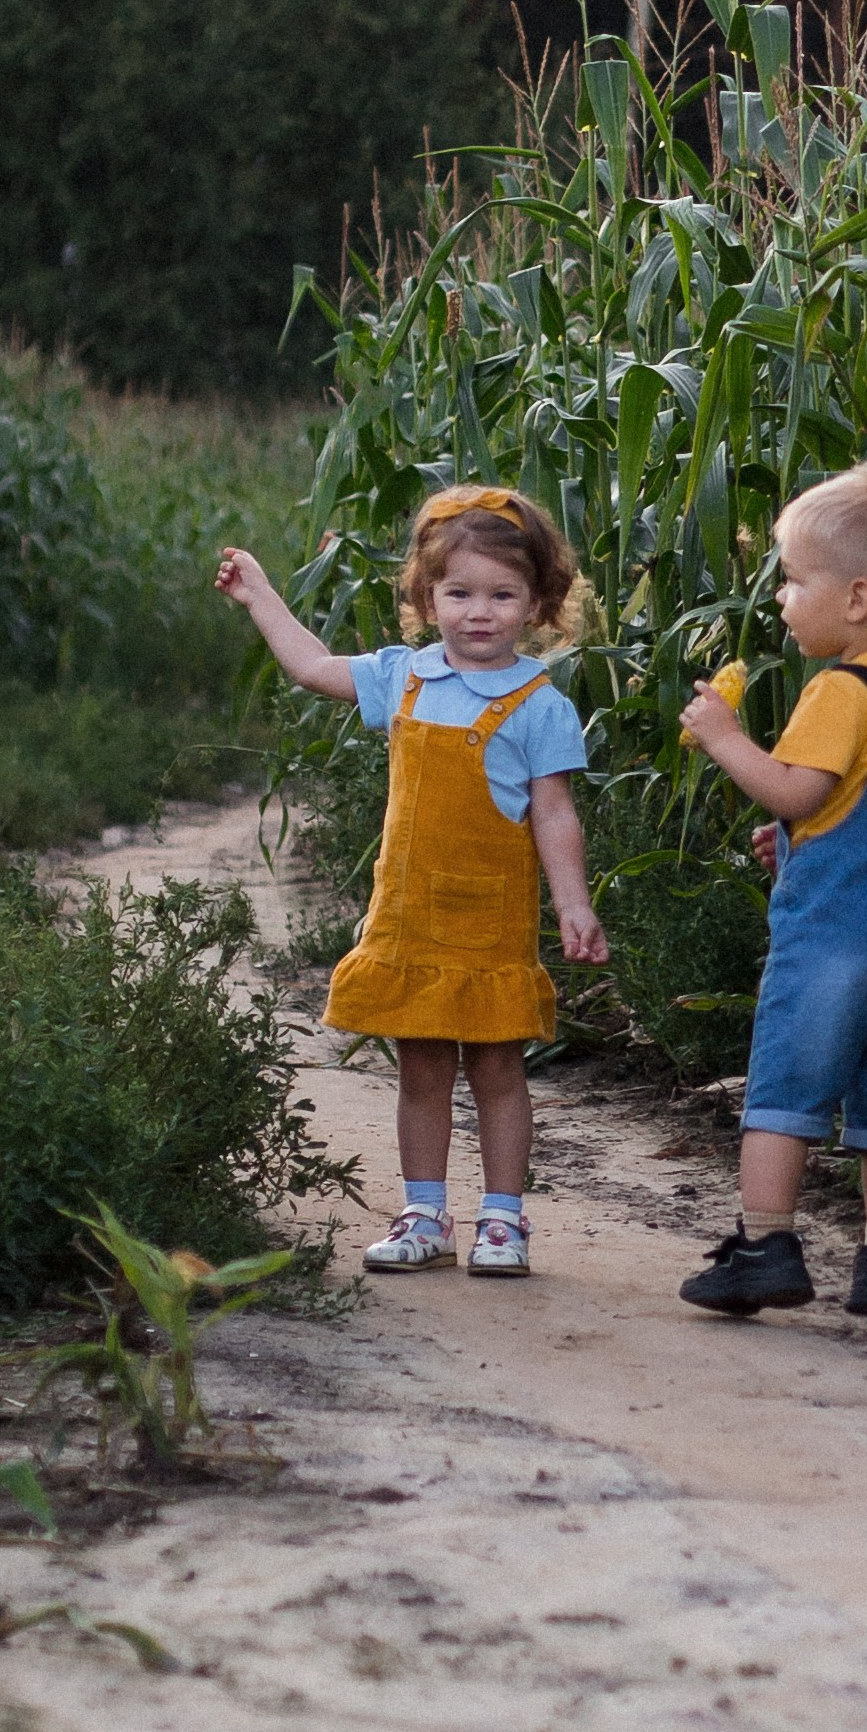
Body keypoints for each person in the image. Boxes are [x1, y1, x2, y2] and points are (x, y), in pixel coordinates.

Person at [215, 484, 606, 1281]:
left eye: (501, 595)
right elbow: (310, 665)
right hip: (409, 916)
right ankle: (424, 1213)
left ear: (538, 603)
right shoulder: (404, 677)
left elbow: (554, 814)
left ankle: (503, 1218)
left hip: (489, 923)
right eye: (458, 593)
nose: (478, 612)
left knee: (497, 1070)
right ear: (427, 600)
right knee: (420, 1068)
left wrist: (573, 904)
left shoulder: (539, 704)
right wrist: (259, 594)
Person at [673, 458, 867, 1321]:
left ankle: (764, 1244)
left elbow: (795, 789)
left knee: (785, 1085)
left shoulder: (841, 688)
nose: (781, 597)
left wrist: (724, 736)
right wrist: (802, 842)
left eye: (796, 581)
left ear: (857, 598)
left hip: (831, 934)